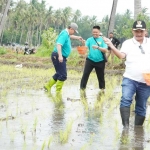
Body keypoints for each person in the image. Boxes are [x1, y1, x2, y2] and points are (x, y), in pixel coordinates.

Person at [104, 20, 150, 128]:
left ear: (145, 31)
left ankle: (137, 130)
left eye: (141, 31)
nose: (139, 33)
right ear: (132, 31)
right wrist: (111, 45)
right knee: (125, 99)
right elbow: (121, 56)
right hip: (130, 79)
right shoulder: (127, 43)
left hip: (146, 81)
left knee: (141, 106)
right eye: (136, 31)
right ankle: (125, 128)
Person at [44, 23, 83, 94]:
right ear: (71, 29)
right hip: (58, 56)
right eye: (74, 31)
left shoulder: (66, 34)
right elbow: (59, 44)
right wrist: (60, 56)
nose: (74, 32)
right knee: (63, 75)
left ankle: (47, 86)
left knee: (59, 73)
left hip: (58, 56)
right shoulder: (65, 34)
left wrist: (77, 38)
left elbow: (70, 36)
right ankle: (58, 92)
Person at [80, 25, 108, 93]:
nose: (95, 33)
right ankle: (82, 89)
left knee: (100, 76)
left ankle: (102, 90)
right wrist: (83, 43)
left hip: (100, 61)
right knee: (85, 74)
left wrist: (98, 47)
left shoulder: (103, 40)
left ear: (99, 32)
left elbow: (105, 50)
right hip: (90, 60)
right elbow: (85, 48)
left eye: (96, 32)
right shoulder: (89, 39)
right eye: (93, 32)